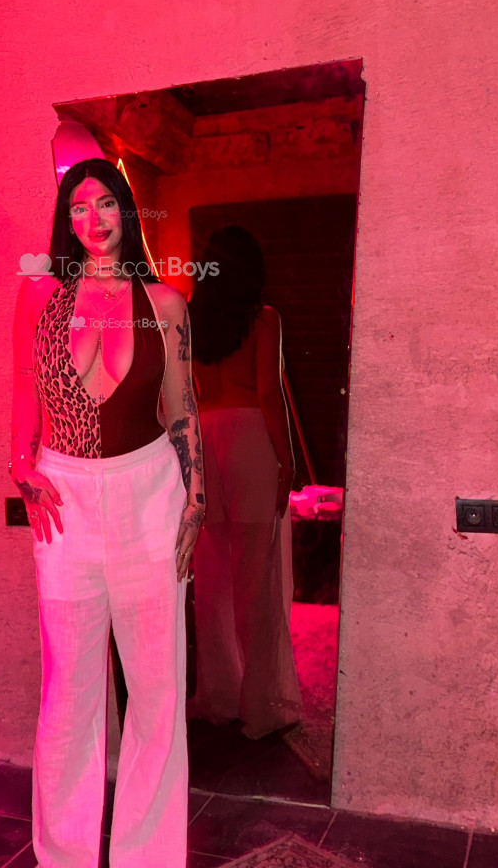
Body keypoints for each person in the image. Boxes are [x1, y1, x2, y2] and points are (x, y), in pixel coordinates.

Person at [10, 157, 205, 868]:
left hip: (149, 496)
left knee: (156, 690)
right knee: (68, 693)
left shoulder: (165, 303)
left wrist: (197, 501)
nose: (92, 219)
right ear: (66, 220)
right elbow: (21, 389)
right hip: (66, 503)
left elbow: (182, 411)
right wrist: (20, 465)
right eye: (77, 207)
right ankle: (62, 855)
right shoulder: (40, 297)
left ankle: (147, 857)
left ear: (126, 210)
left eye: (104, 204)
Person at [187, 225, 302, 740]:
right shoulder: (263, 319)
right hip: (251, 438)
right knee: (256, 577)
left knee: (213, 578)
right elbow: (269, 392)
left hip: (207, 439)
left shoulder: (190, 319)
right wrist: (288, 460)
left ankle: (220, 695)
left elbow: (186, 395)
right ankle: (261, 704)